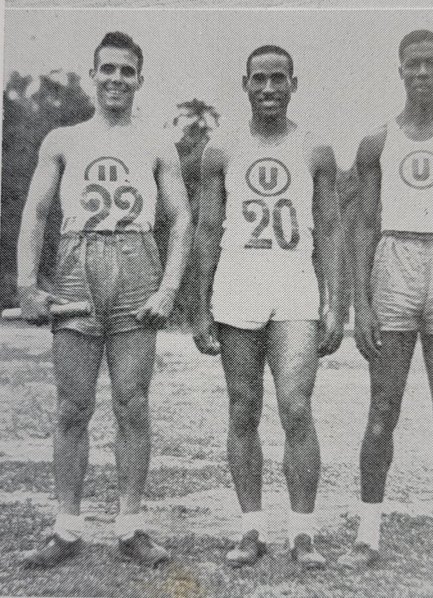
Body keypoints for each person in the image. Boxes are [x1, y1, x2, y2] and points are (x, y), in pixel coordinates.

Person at [16, 31, 193, 568]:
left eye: (126, 70)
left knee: (132, 404)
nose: (116, 78)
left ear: (140, 78)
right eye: (107, 69)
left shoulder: (158, 141)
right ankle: (66, 528)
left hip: (137, 261)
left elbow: (181, 217)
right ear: (94, 74)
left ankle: (130, 527)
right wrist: (27, 284)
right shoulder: (63, 139)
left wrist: (168, 288)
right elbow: (36, 212)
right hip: (76, 263)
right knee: (72, 406)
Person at [338, 30, 433, 573]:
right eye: (413, 65)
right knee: (382, 410)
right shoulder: (377, 143)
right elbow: (362, 227)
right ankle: (367, 534)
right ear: (400, 70)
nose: (422, 72)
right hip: (396, 262)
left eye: (431, 64)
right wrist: (362, 302)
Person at [193, 45, 344, 569]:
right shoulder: (222, 148)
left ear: (293, 84)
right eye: (259, 79)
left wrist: (335, 303)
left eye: (279, 79)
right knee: (243, 408)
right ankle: (250, 528)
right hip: (238, 281)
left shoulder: (315, 148)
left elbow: (328, 228)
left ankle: (302, 531)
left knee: (297, 406)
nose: (269, 89)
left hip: (295, 282)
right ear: (245, 83)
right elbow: (208, 228)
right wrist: (199, 305)